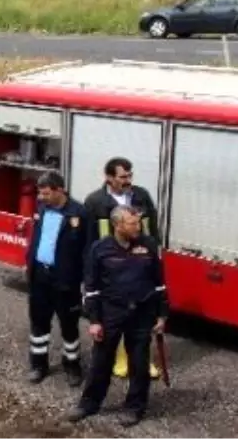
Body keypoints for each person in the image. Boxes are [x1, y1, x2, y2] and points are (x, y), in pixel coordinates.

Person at [68, 206, 168, 427]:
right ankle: (89, 404)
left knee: (139, 364)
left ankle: (134, 408)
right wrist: (94, 320)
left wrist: (162, 315)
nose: (138, 227)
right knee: (101, 361)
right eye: (132, 223)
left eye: (138, 222)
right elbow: (91, 287)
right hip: (110, 313)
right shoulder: (100, 249)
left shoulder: (148, 245)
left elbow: (159, 283)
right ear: (117, 225)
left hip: (142, 314)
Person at [82, 156, 161, 380]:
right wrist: (89, 271)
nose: (128, 180)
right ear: (108, 177)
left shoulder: (141, 195)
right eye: (123, 176)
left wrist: (155, 252)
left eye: (130, 175)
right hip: (110, 267)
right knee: (115, 314)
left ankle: (144, 361)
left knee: (143, 315)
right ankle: (120, 359)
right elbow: (89, 241)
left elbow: (152, 228)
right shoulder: (95, 202)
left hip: (139, 262)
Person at [23, 170, 91, 387]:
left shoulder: (79, 213)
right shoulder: (42, 207)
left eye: (45, 194)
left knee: (69, 327)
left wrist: (86, 281)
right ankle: (38, 365)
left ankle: (72, 365)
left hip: (65, 281)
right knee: (39, 324)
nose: (41, 198)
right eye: (40, 194)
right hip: (40, 277)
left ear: (60, 190)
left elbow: (88, 250)